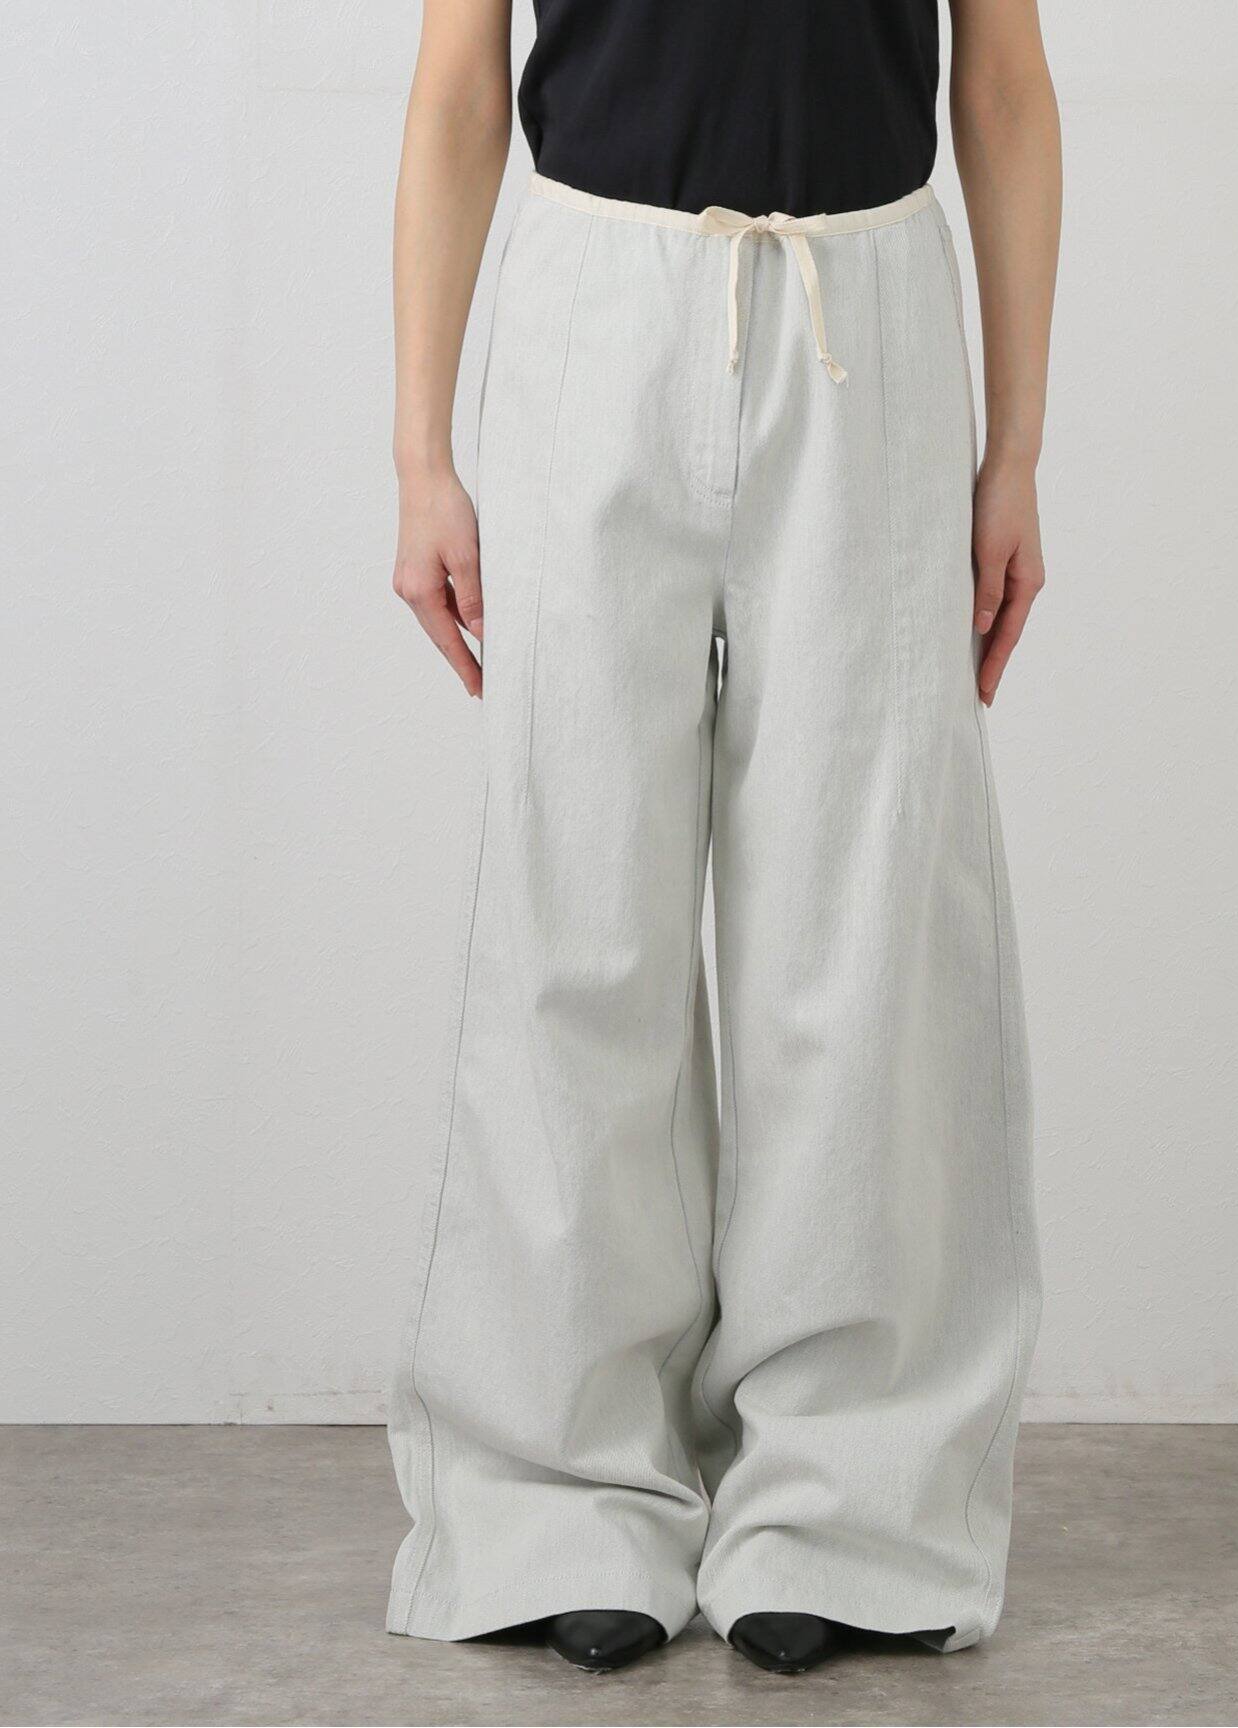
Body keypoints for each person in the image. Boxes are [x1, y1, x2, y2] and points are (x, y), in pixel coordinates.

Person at [385, 0, 1060, 1677]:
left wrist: (1017, 453)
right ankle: (558, 1494)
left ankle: (851, 1503)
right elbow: (462, 80)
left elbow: (1001, 80)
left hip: (869, 310)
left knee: (864, 929)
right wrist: (420, 454)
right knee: (574, 926)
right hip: (591, 304)